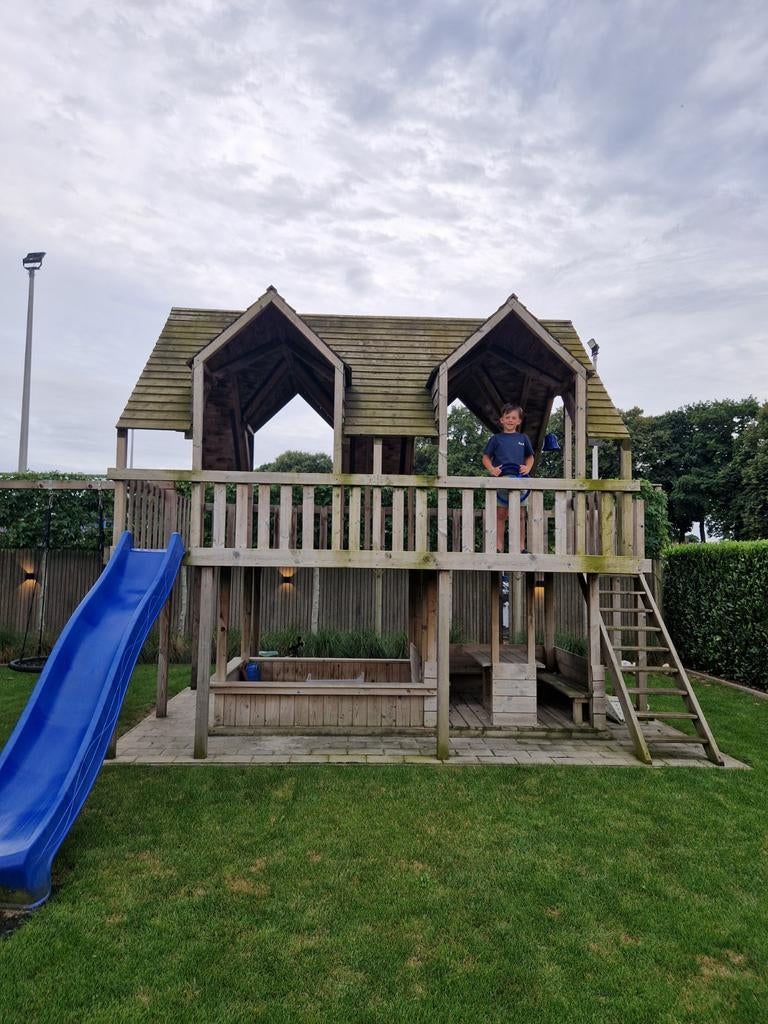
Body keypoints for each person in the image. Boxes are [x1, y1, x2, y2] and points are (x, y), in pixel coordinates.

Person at [481, 404, 534, 552]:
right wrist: (492, 469)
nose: (510, 420)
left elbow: (530, 457)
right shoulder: (496, 439)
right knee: (500, 514)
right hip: (502, 480)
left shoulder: (523, 438)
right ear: (501, 420)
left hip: (519, 480)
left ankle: (521, 547)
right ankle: (498, 547)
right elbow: (486, 458)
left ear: (519, 421)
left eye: (514, 418)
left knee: (521, 515)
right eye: (507, 417)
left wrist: (528, 468)